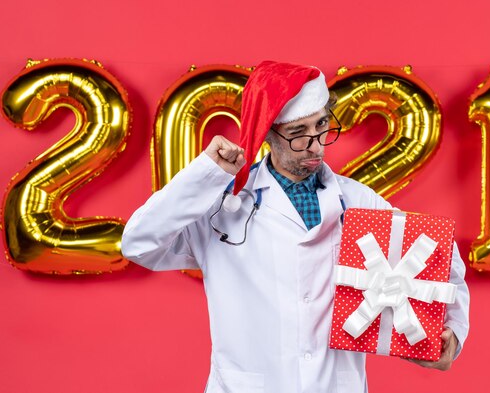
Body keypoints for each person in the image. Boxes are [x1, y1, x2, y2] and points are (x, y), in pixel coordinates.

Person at [122, 61, 470, 393]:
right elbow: (138, 243)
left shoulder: (357, 200)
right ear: (267, 133)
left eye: (321, 126)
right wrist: (205, 175)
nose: (316, 144)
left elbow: (440, 259)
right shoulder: (222, 206)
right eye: (298, 133)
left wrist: (451, 333)